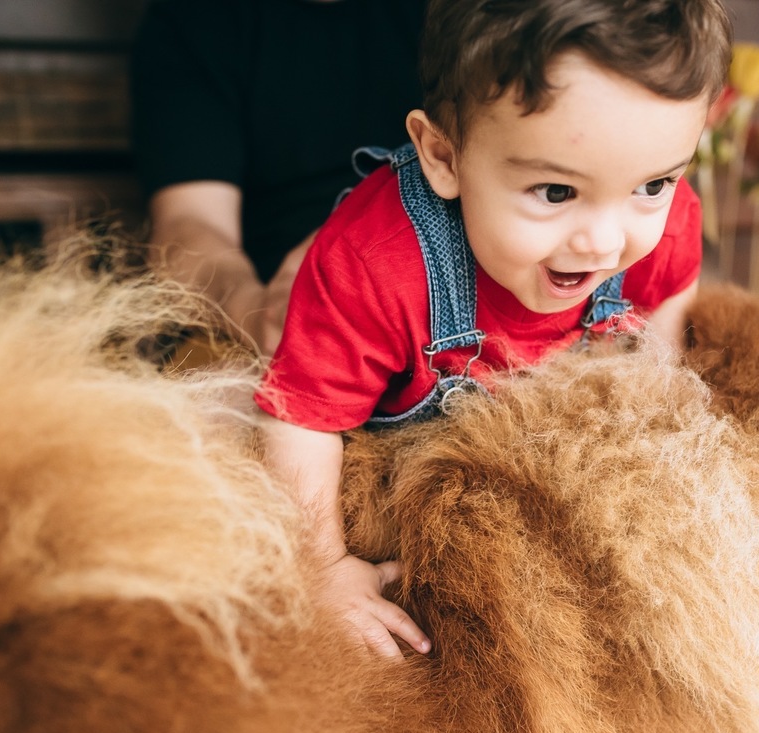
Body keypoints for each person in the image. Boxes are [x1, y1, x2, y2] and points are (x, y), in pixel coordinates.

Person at [256, 0, 732, 659]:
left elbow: (670, 295)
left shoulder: (665, 225)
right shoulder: (375, 261)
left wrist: (660, 388)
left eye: (652, 184)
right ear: (444, 155)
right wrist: (326, 567)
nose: (605, 240)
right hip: (409, 481)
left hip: (544, 464)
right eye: (556, 193)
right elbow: (300, 416)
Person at [129, 0, 426, 354]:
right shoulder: (192, 19)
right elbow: (189, 223)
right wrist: (257, 312)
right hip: (262, 330)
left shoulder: (466, 13)